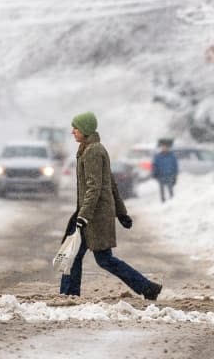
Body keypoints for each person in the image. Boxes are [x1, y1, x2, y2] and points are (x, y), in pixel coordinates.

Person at [59, 111, 162, 301]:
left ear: (85, 130)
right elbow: (111, 184)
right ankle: (146, 287)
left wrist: (83, 216)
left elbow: (95, 187)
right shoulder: (90, 149)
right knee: (84, 256)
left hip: (93, 216)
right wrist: (121, 212)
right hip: (91, 214)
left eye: (76, 128)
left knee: (90, 257)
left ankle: (69, 295)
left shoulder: (93, 151)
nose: (73, 131)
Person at [150, 138, 179, 202]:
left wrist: (175, 175)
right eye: (163, 147)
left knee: (170, 188)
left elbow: (175, 166)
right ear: (161, 147)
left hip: (170, 175)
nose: (164, 148)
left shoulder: (172, 156)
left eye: (166, 147)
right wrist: (154, 173)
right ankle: (163, 201)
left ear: (168, 148)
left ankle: (172, 201)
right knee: (162, 190)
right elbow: (155, 165)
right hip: (161, 175)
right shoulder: (158, 156)